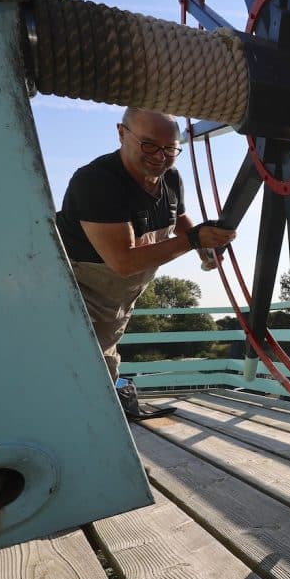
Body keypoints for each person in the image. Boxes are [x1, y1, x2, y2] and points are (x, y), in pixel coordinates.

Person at [55, 107, 235, 420]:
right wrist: (194, 241)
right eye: (149, 144)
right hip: (76, 295)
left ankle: (107, 431)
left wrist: (204, 250)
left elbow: (177, 219)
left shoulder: (170, 179)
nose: (160, 156)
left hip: (121, 297)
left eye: (170, 148)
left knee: (102, 366)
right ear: (122, 133)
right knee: (80, 376)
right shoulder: (96, 182)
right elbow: (122, 262)